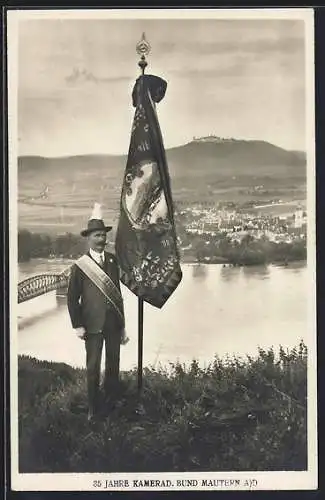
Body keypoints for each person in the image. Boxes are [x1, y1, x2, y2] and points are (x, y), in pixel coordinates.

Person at [67, 203, 128, 421]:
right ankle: (94, 410)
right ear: (89, 238)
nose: (101, 239)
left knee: (113, 365)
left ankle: (111, 406)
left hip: (112, 324)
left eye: (103, 235)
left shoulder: (112, 261)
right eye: (96, 236)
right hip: (91, 325)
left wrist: (122, 326)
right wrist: (77, 325)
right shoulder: (80, 266)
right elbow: (72, 298)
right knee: (93, 368)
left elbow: (117, 295)